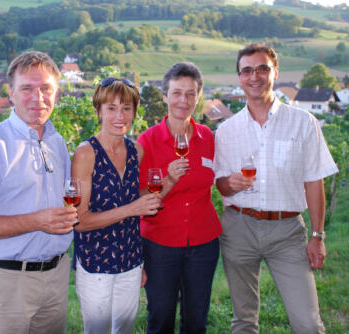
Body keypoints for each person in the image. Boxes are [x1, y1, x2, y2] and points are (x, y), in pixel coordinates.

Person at [214, 43, 338, 334]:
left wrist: (318, 235)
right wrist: (228, 184)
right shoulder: (226, 131)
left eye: (262, 69)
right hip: (238, 229)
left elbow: (314, 180)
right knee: (243, 320)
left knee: (307, 323)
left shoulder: (303, 123)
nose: (254, 76)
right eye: (247, 70)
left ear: (275, 72)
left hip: (287, 233)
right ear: (239, 77)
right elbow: (219, 182)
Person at [0, 51, 78, 334]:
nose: (38, 97)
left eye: (46, 89)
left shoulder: (58, 143)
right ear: (11, 94)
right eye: (27, 89)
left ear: (56, 93)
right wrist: (37, 220)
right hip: (8, 282)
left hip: (56, 278)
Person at [71, 77, 161, 334]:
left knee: (124, 330)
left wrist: (169, 181)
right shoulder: (86, 154)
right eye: (111, 108)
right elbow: (80, 221)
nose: (120, 115)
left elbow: (132, 196)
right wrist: (133, 209)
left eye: (127, 108)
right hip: (96, 263)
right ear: (98, 111)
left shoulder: (136, 152)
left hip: (131, 261)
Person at [138, 62, 222, 334]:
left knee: (196, 319)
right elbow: (141, 200)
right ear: (165, 96)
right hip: (160, 244)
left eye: (190, 94)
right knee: (160, 317)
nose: (183, 101)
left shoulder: (207, 137)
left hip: (203, 242)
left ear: (198, 97)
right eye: (176, 93)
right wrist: (169, 180)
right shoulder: (147, 141)